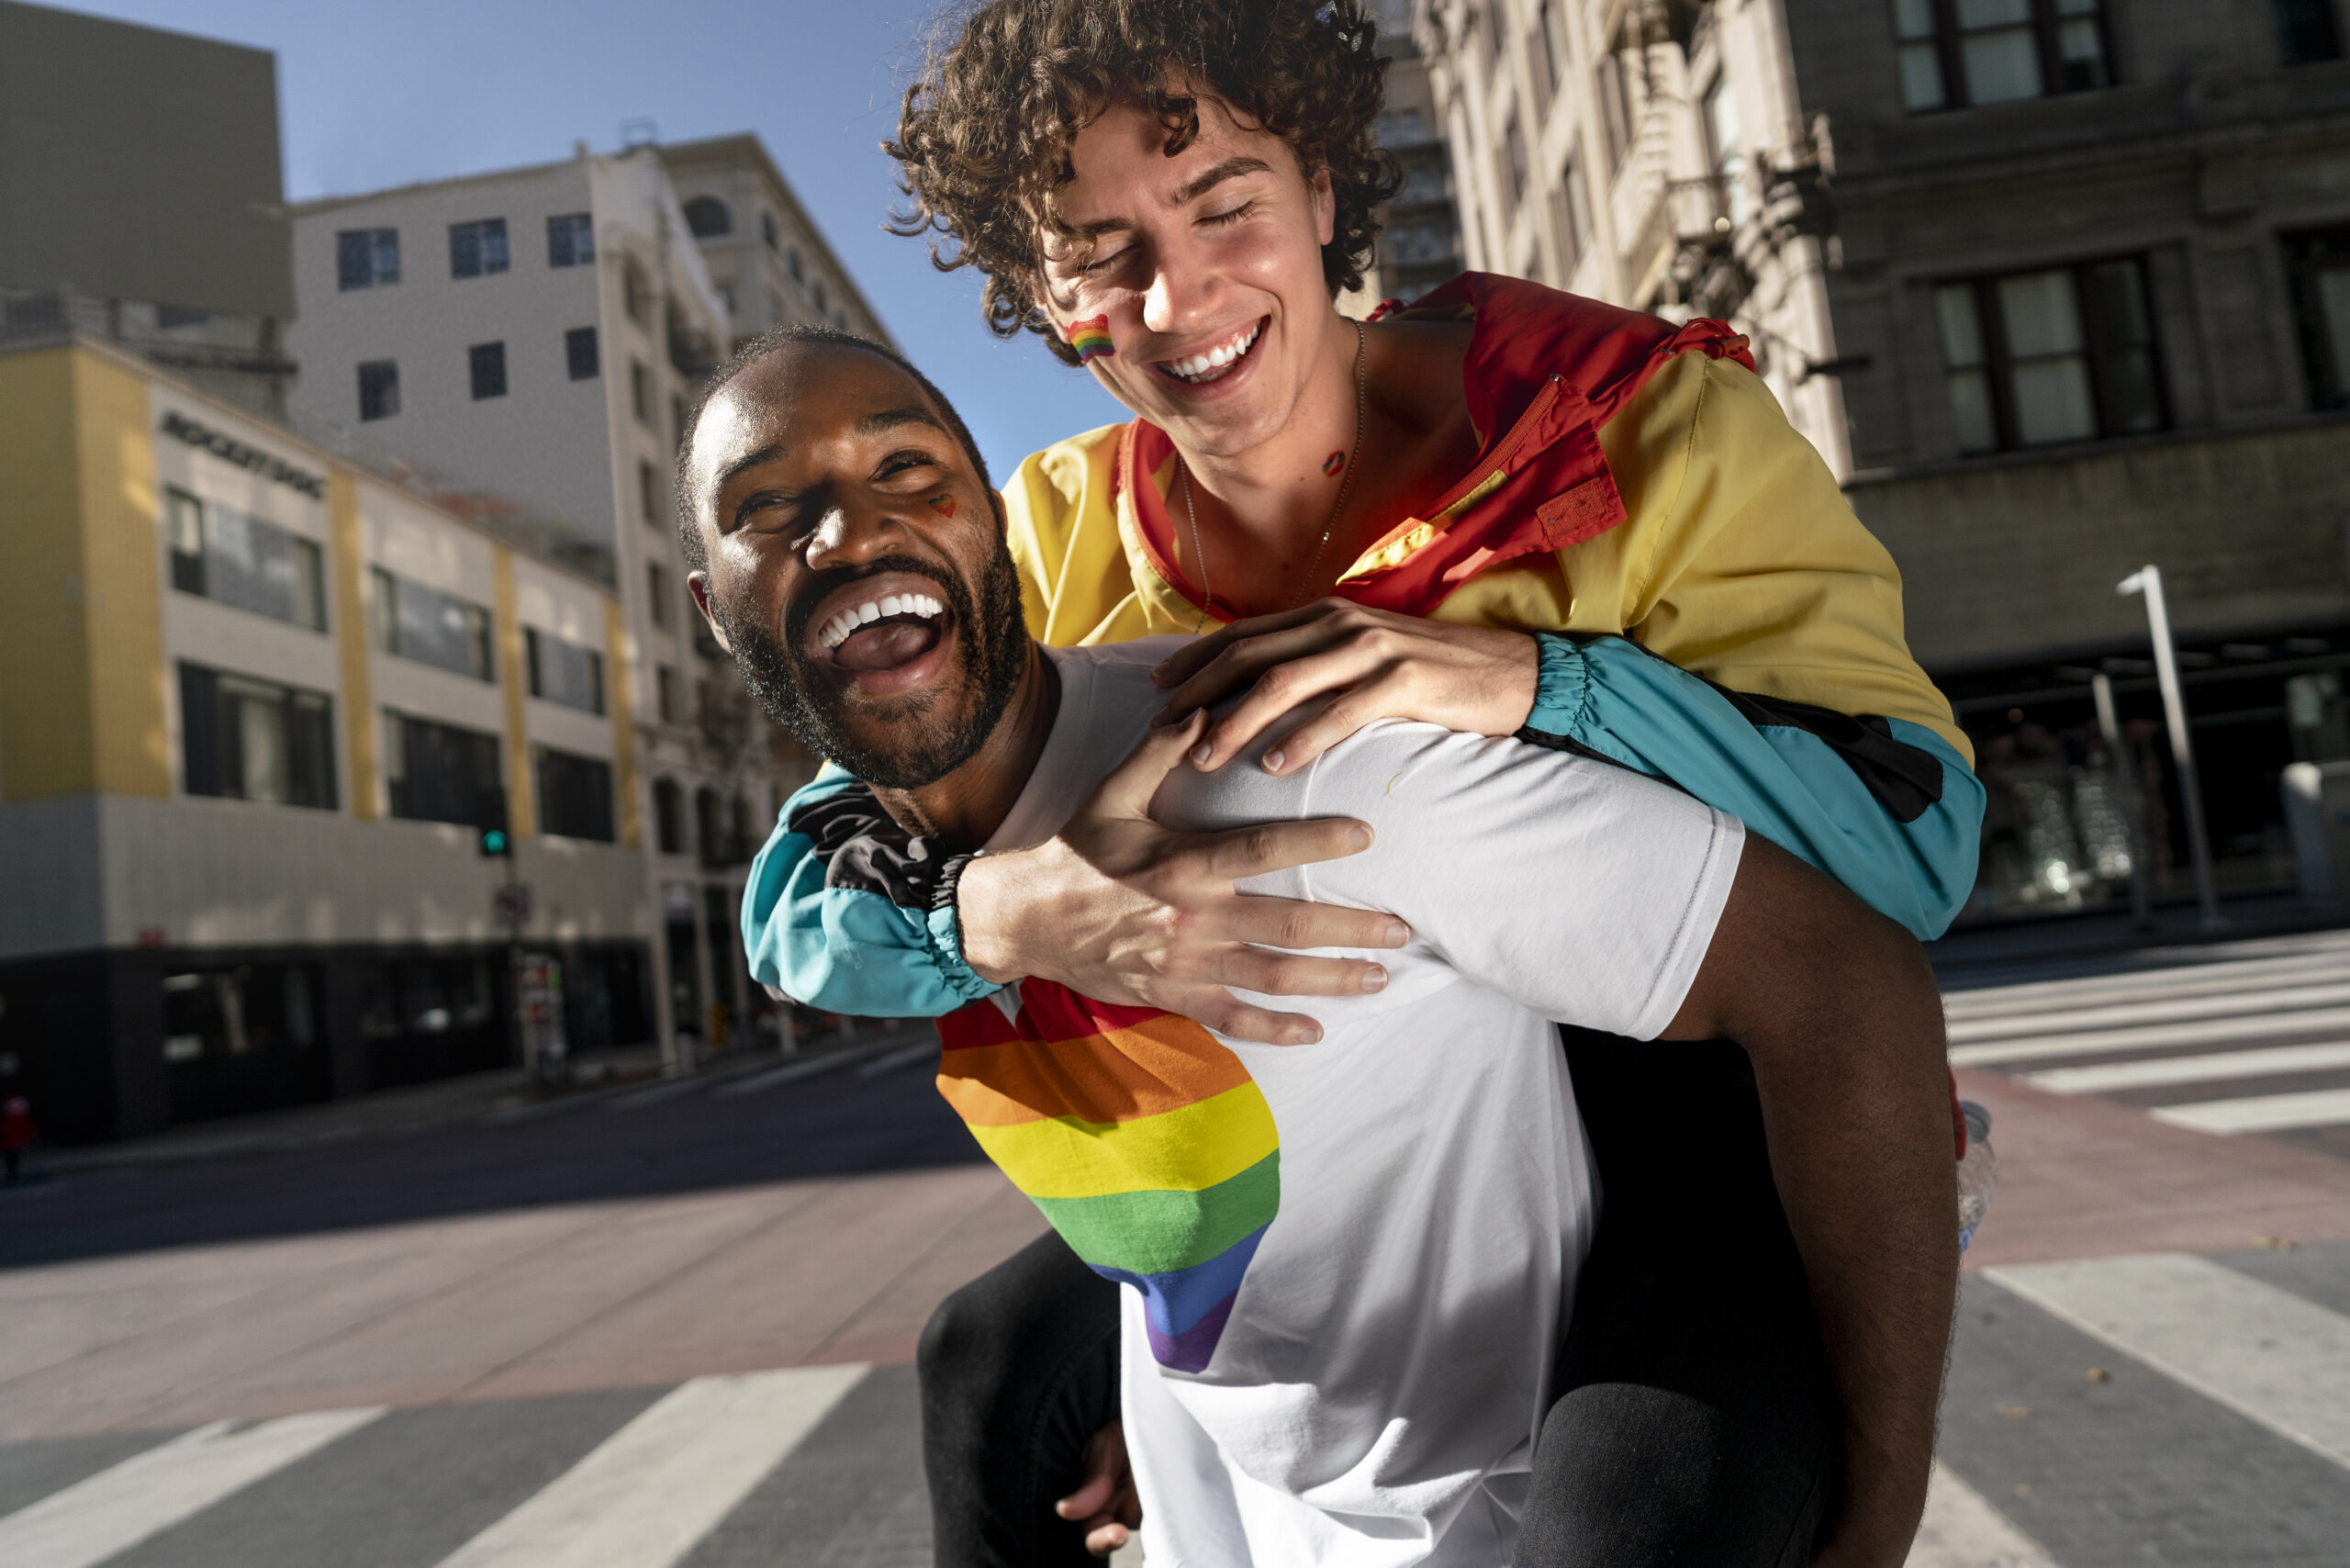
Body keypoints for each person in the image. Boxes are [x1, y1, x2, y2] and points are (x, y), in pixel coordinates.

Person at [739, 1, 1986, 1560]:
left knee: (1649, 1508)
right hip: (1348, 1150)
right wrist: (1000, 910)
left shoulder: (1638, 426)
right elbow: (805, 884)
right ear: (1045, 296)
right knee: (986, 1373)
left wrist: (1536, 684)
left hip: (1676, 1100)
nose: (1178, 295)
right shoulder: (1052, 531)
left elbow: (1912, 850)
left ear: (1326, 189)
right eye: (1102, 249)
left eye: (1224, 206)